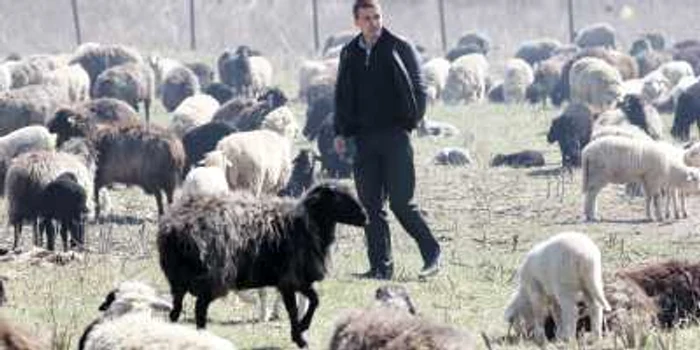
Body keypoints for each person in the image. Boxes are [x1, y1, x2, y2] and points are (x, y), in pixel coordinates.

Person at [333, 0, 441, 280]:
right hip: (364, 140)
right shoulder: (349, 53)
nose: (374, 23)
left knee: (402, 203)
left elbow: (419, 88)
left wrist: (412, 121)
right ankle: (381, 267)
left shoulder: (399, 47)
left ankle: (432, 254)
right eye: (367, 18)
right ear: (356, 21)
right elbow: (343, 95)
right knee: (369, 206)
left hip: (395, 136)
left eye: (377, 17)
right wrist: (341, 132)